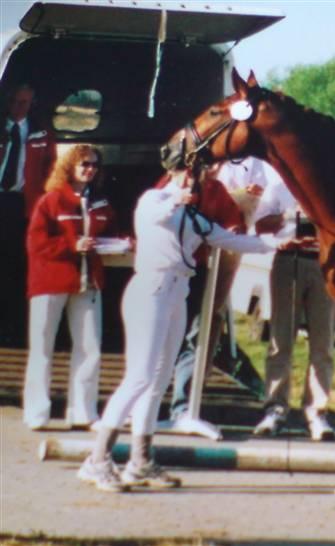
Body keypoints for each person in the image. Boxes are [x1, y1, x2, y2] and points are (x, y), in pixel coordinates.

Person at [77, 167, 272, 492]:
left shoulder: (195, 218)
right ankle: (97, 459)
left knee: (159, 380)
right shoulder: (154, 200)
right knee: (139, 376)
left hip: (177, 293)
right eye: (188, 175)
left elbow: (235, 240)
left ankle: (140, 460)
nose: (194, 181)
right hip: (151, 289)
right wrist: (177, 196)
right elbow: (159, 212)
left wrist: (279, 241)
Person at [23, 145, 117, 430]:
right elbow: (36, 244)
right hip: (50, 281)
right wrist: (71, 246)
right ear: (70, 166)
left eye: (95, 165)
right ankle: (37, 412)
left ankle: (83, 412)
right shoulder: (51, 201)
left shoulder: (101, 205)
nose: (90, 169)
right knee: (42, 347)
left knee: (90, 348)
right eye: (84, 164)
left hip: (88, 283)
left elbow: (111, 235)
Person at [168, 158, 266, 422]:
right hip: (167, 274)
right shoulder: (166, 190)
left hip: (196, 269)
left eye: (215, 165)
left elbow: (230, 224)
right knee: (164, 336)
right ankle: (148, 405)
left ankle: (183, 407)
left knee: (196, 332)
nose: (211, 169)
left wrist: (237, 230)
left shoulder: (216, 190)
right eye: (205, 165)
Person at [252, 169, 335, 441]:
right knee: (280, 339)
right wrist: (289, 214)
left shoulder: (329, 185)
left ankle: (316, 412)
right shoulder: (278, 188)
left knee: (323, 344)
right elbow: (260, 225)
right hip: (288, 260)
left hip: (323, 264)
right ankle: (276, 408)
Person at [0, 83, 57, 345]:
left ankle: (12, 330)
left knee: (15, 265)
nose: (18, 108)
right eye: (14, 102)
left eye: (24, 103)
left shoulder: (40, 133)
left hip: (21, 204)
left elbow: (51, 167)